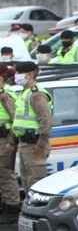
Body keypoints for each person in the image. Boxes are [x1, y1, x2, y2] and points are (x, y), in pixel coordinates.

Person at [12, 61, 52, 198]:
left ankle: (38, 211)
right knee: (26, 179)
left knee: (36, 180)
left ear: (30, 74)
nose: (16, 76)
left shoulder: (36, 93)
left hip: (35, 143)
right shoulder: (25, 92)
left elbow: (45, 119)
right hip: (25, 143)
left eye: (19, 73)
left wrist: (41, 143)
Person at [0, 65, 18, 224]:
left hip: (4, 139)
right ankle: (5, 204)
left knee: (5, 173)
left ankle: (12, 207)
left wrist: (11, 141)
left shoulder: (6, 95)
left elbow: (16, 120)